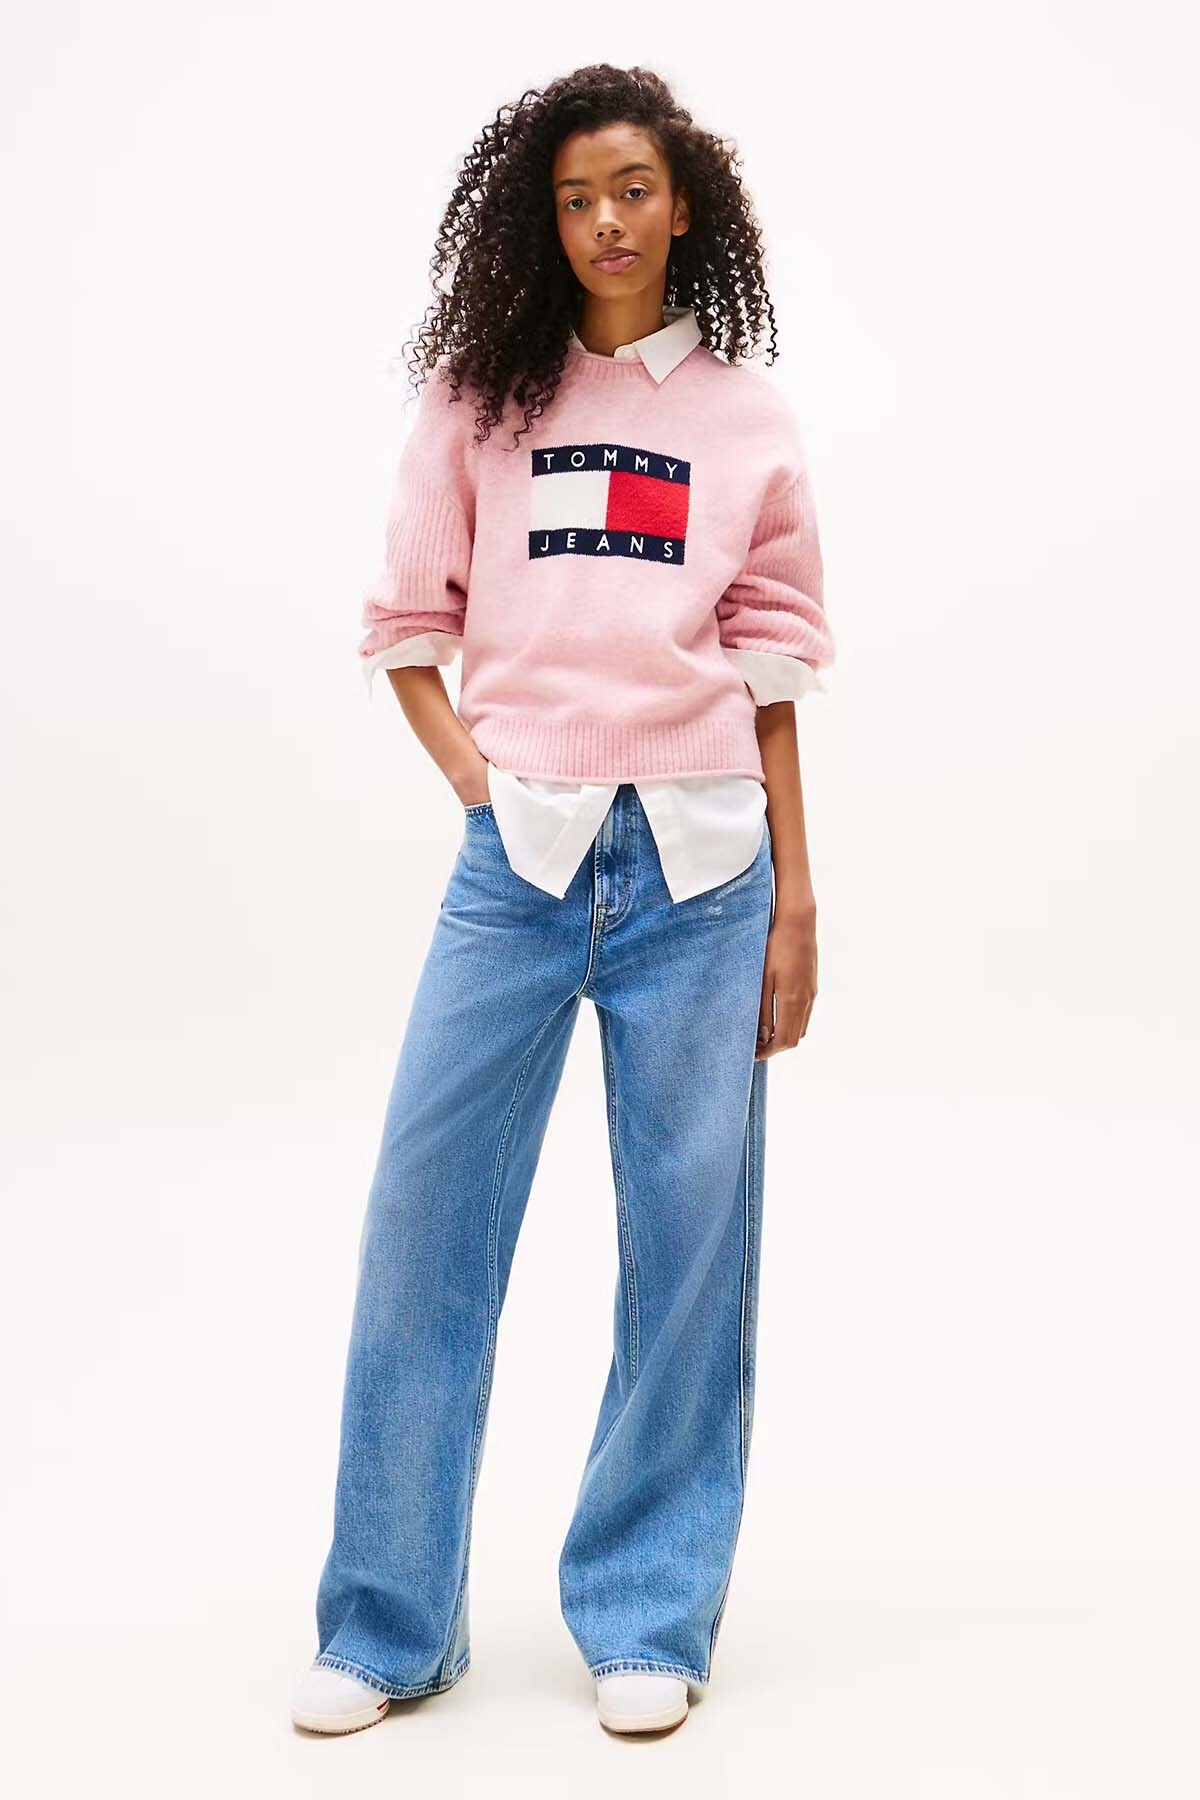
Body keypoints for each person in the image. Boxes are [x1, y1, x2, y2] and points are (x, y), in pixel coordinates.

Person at [291, 61, 836, 1740]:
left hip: (706, 871)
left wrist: (797, 899)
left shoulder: (744, 419)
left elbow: (770, 673)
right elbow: (408, 624)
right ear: (543, 219)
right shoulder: (480, 399)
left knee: (689, 1254)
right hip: (515, 868)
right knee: (425, 1225)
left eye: (633, 190)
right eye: (576, 196)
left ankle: (648, 1609)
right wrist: (484, 783)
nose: (606, 221)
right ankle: (387, 1626)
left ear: (687, 205)